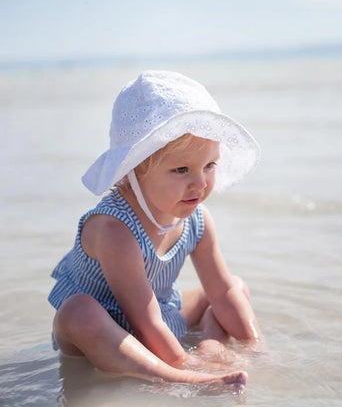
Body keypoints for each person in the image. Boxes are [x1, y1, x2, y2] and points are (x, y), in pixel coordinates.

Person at [48, 70, 262, 393]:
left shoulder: (197, 221)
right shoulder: (114, 230)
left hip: (160, 318)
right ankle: (181, 375)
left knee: (234, 288)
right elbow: (143, 321)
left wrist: (256, 348)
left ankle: (210, 345)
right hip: (107, 334)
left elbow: (221, 292)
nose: (200, 183)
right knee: (78, 312)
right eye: (181, 169)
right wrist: (184, 364)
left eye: (209, 166)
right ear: (133, 170)